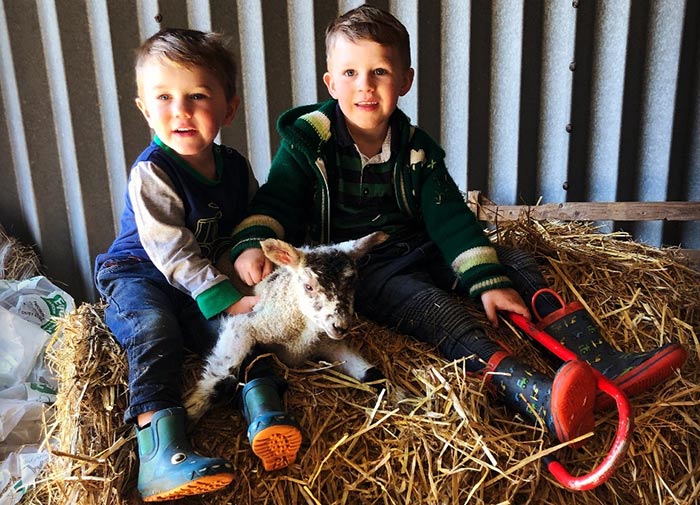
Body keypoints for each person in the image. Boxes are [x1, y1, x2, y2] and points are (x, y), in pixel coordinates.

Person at [228, 4, 688, 449]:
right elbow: (278, 198)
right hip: (360, 270)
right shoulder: (310, 143)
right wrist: (252, 243)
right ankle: (533, 394)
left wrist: (485, 280)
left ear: (405, 80)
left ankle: (600, 357)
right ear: (330, 82)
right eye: (350, 74)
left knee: (517, 263)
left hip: (419, 245)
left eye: (380, 72)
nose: (365, 87)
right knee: (432, 308)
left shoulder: (418, 152)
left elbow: (449, 217)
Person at [94, 28, 301, 502]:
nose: (180, 111)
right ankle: (159, 450)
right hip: (139, 275)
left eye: (197, 96)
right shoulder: (153, 172)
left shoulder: (233, 167)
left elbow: (246, 228)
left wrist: (253, 263)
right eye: (163, 97)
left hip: (201, 278)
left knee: (244, 329)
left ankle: (264, 407)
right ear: (144, 108)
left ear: (229, 107)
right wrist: (224, 295)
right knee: (154, 332)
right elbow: (171, 250)